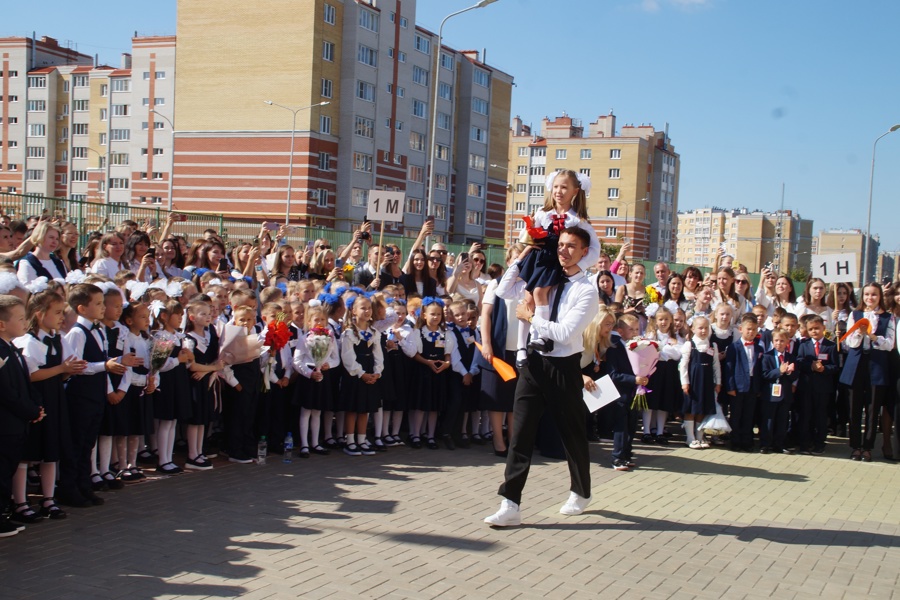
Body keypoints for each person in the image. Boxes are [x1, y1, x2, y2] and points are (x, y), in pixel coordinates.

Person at [484, 227, 599, 527]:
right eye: (560, 245)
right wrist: (524, 254)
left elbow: (564, 334)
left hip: (563, 367)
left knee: (572, 434)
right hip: (533, 365)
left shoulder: (586, 290)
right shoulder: (543, 273)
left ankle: (581, 491)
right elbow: (502, 290)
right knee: (520, 434)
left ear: (584, 252)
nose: (564, 251)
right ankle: (510, 503)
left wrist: (531, 317)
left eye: (572, 246)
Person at [514, 170, 599, 365]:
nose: (559, 191)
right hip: (539, 260)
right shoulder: (543, 213)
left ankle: (541, 337)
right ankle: (521, 347)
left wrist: (578, 265)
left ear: (575, 191)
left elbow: (594, 248)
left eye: (564, 187)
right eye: (556, 186)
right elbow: (524, 235)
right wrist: (530, 241)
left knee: (541, 294)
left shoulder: (578, 221)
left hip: (556, 264)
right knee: (528, 298)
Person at [58, 283, 128, 507]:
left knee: (88, 443)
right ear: (81, 308)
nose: (102, 307)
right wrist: (105, 366)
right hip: (80, 396)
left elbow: (101, 362)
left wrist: (107, 371)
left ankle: (84, 485)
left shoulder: (98, 330)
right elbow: (78, 366)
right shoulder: (77, 333)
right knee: (77, 443)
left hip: (95, 395)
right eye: (97, 304)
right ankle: (69, 489)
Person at [0, 295, 46, 537]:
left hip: (16, 422)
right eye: (20, 318)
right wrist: (28, 410)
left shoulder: (11, 348)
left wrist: (36, 406)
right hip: (5, 423)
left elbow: (24, 384)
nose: (25, 322)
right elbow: (6, 391)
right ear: (2, 324)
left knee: (8, 468)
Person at [478, 244, 525, 457]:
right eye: (516, 259)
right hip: (497, 349)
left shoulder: (528, 285)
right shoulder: (495, 284)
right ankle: (498, 440)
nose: (519, 264)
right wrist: (486, 343)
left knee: (516, 400)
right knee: (497, 399)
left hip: (521, 351)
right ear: (508, 262)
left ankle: (515, 440)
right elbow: (485, 315)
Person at [839, 282, 895, 462]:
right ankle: (855, 446)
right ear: (862, 296)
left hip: (876, 364)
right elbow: (848, 343)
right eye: (867, 294)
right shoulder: (855, 314)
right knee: (854, 407)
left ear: (880, 297)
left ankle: (868, 447)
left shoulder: (888, 317)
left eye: (874, 295)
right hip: (856, 363)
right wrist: (859, 333)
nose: (870, 298)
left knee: (872, 408)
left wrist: (872, 336)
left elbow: (889, 344)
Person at [400, 297, 455, 450]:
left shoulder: (445, 334)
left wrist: (446, 364)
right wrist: (427, 362)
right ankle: (415, 435)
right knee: (420, 405)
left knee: (434, 407)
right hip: (423, 372)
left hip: (438, 372)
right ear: (424, 315)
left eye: (438, 314)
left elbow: (447, 354)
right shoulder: (418, 332)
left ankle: (430, 436)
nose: (435, 317)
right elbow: (416, 354)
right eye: (432, 314)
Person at [152, 300, 194, 474]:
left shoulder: (178, 336)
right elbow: (159, 364)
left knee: (173, 422)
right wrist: (178, 360)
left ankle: (169, 458)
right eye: (177, 314)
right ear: (164, 316)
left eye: (181, 315)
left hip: (178, 380)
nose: (180, 318)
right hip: (168, 381)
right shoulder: (162, 336)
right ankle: (163, 460)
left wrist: (187, 356)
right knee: (166, 421)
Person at [339, 295, 383, 456]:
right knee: (353, 408)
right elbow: (348, 357)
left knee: (366, 409)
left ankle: (362, 439)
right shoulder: (349, 333)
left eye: (369, 308)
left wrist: (377, 372)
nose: (367, 311)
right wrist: (361, 373)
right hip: (355, 375)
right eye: (363, 308)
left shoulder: (374, 332)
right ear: (353, 311)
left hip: (370, 372)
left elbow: (378, 354)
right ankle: (350, 440)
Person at [183, 300, 223, 470]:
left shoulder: (209, 335)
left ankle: (199, 451)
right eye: (203, 314)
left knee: (203, 419)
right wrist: (213, 368)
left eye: (209, 314)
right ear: (192, 317)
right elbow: (191, 366)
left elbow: (215, 358)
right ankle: (192, 454)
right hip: (194, 382)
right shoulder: (189, 339)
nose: (208, 317)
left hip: (206, 380)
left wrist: (208, 370)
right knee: (195, 419)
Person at [795, 315, 837, 455]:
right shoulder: (804, 345)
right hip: (806, 387)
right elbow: (799, 362)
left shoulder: (830, 346)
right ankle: (805, 444)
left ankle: (820, 443)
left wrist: (824, 369)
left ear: (823, 328)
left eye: (817, 328)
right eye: (811, 329)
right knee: (806, 415)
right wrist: (811, 366)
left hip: (823, 388)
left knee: (820, 416)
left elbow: (835, 366)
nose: (814, 331)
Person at [679, 315, 721, 449]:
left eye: (706, 328)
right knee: (692, 408)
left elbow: (716, 365)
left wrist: (718, 381)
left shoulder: (712, 345)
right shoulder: (689, 345)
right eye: (700, 328)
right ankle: (690, 438)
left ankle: (699, 436)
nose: (703, 331)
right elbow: (683, 365)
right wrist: (685, 382)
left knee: (703, 408)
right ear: (693, 329)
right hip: (693, 380)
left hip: (707, 380)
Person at [724, 313, 764, 452]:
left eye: (754, 329)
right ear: (741, 329)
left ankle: (747, 441)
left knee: (749, 415)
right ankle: (735, 441)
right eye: (748, 329)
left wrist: (758, 387)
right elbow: (729, 369)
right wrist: (730, 387)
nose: (751, 332)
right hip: (738, 386)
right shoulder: (734, 347)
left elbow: (759, 369)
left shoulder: (759, 348)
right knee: (736, 415)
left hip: (752, 386)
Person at [643, 306, 681, 444]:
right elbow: (649, 350)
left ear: (671, 321)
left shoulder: (676, 337)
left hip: (668, 371)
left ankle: (660, 432)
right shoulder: (650, 336)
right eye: (660, 319)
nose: (663, 322)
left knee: (664, 401)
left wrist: (663, 349)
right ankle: (647, 431)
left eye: (666, 319)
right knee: (650, 401)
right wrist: (666, 350)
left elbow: (677, 354)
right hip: (653, 369)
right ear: (655, 321)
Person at [760, 330, 799, 454]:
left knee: (782, 420)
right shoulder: (767, 356)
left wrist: (789, 372)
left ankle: (779, 444)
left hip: (785, 394)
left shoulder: (791, 357)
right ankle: (766, 444)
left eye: (782, 341)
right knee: (769, 419)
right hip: (770, 394)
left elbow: (795, 376)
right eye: (776, 340)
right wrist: (779, 371)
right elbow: (765, 374)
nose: (779, 343)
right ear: (772, 341)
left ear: (787, 342)